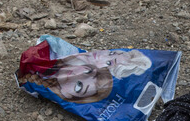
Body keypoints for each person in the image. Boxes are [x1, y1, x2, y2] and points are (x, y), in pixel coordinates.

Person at [17, 43, 150, 103]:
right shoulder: (61, 58)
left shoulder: (40, 83)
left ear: (69, 96)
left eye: (79, 86)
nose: (74, 75)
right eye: (111, 53)